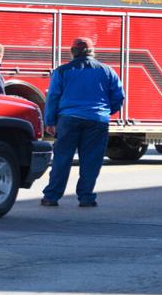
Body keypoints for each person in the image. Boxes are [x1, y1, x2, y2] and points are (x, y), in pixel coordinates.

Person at [42, 37, 124, 208]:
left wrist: (50, 121)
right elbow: (118, 96)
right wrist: (105, 112)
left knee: (62, 159)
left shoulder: (63, 71)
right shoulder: (107, 71)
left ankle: (51, 196)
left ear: (73, 52)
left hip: (69, 119)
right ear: (92, 52)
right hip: (97, 121)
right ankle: (86, 198)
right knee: (91, 160)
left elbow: (53, 97)